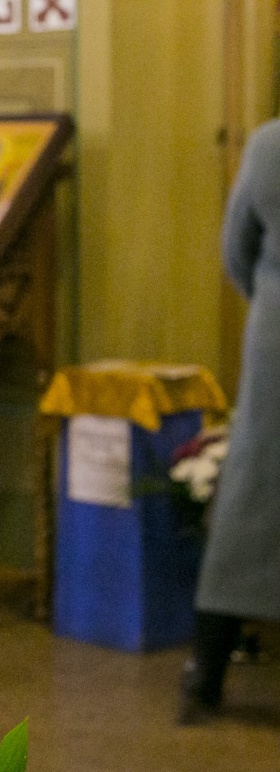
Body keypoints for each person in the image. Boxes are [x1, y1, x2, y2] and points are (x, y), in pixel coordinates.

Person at [180, 119, 280, 724]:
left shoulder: (269, 143)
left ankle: (207, 672)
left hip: (275, 337)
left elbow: (235, 250)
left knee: (249, 496)